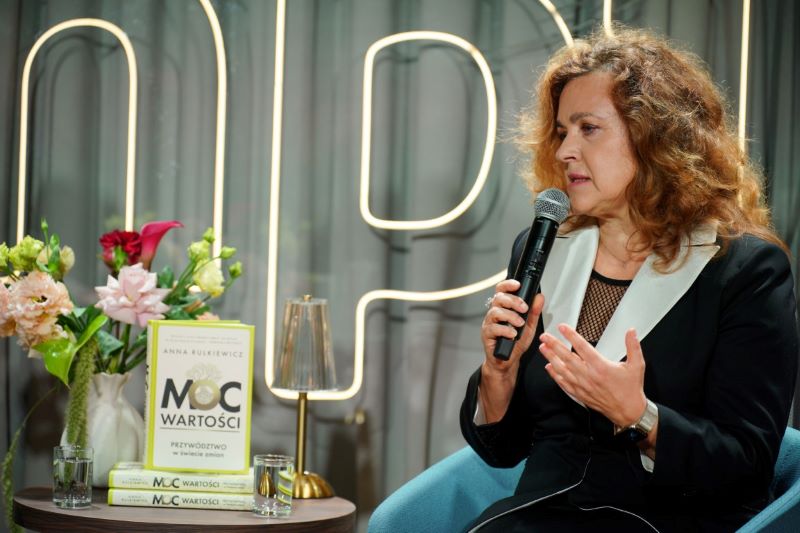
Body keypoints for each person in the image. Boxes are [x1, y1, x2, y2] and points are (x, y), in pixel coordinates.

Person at [460, 25, 798, 533]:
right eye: (562, 132)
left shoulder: (744, 270)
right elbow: (502, 451)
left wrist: (640, 416)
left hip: (662, 521)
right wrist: (498, 374)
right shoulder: (543, 248)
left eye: (588, 128)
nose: (565, 150)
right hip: (538, 515)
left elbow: (747, 463)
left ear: (654, 137)